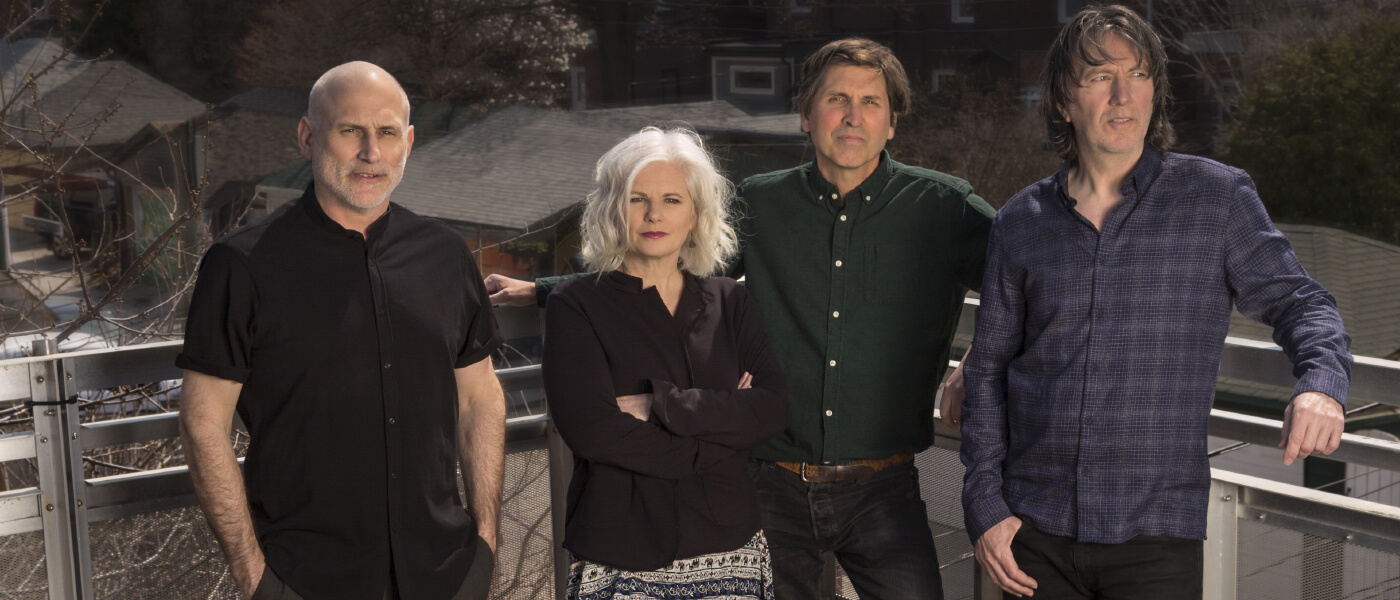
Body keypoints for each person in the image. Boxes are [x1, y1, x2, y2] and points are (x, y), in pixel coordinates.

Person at [492, 38, 994, 600]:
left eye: (871, 102)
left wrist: (981, 357)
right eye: (836, 99)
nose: (853, 116)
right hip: (768, 482)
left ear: (892, 121)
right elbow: (670, 260)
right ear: (806, 115)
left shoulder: (944, 207)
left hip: (883, 486)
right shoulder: (761, 202)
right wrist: (544, 291)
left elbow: (1033, 280)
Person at [960, 6, 1352, 599]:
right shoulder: (1020, 222)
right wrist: (985, 504)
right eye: (1100, 77)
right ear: (1065, 101)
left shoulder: (1216, 199)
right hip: (1031, 535)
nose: (1124, 95)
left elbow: (1303, 302)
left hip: (1156, 540)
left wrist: (1321, 384)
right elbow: (986, 370)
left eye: (1139, 75)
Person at [177, 62, 505, 600]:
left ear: (409, 142)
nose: (370, 153)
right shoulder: (241, 265)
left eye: (387, 133)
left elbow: (481, 400)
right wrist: (255, 578)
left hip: (445, 577)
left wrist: (485, 547)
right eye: (350, 130)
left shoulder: (446, 256)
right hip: (307, 581)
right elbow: (202, 421)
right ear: (308, 137)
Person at [542, 126, 789, 600]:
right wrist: (723, 434)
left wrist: (661, 405)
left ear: (696, 213)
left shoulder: (729, 300)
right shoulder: (575, 304)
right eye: (638, 199)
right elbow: (593, 430)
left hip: (729, 544)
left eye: (672, 199)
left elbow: (773, 408)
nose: (655, 214)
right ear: (614, 208)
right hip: (621, 550)